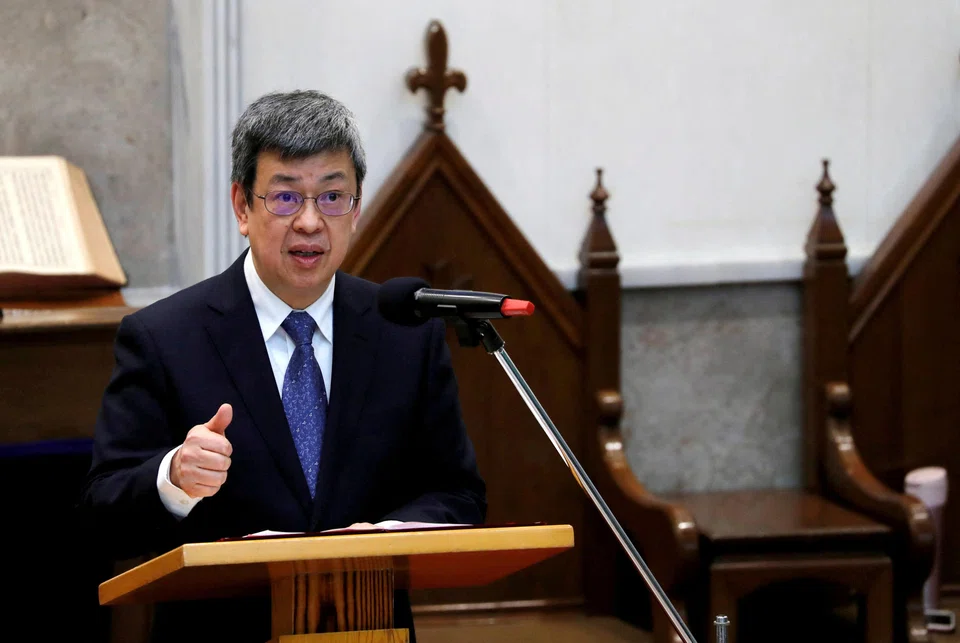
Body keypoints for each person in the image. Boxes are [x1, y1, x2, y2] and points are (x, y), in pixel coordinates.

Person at [78, 90, 487, 643]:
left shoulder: (404, 333)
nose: (312, 223)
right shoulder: (163, 337)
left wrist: (381, 539)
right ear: (242, 207)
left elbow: (457, 491)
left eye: (334, 196)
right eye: (286, 199)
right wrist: (174, 477)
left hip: (370, 627)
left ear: (357, 208)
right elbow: (102, 509)